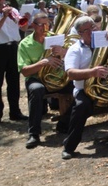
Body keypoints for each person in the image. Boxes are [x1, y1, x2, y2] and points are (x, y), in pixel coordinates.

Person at [61, 16, 108, 160]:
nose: (92, 32)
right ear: (79, 33)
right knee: (80, 106)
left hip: (106, 87)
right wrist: (92, 72)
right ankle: (69, 146)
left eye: (93, 27)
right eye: (86, 30)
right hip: (85, 90)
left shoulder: (105, 43)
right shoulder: (74, 50)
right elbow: (71, 73)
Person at [18, 11, 71, 148]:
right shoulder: (25, 44)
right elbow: (24, 71)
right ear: (33, 26)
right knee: (36, 90)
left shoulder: (56, 39)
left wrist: (64, 52)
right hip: (36, 78)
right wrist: (43, 62)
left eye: (47, 24)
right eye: (41, 25)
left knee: (80, 86)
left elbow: (73, 56)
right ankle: (34, 134)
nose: (45, 28)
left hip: (56, 77)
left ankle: (64, 123)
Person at [0, 0, 27, 124]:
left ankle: (15, 112)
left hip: (13, 47)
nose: (1, 1)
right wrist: (3, 17)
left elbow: (24, 28)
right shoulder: (3, 13)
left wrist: (26, 19)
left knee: (14, 81)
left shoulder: (13, 10)